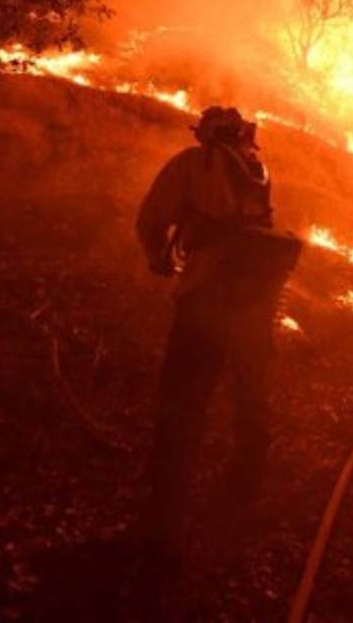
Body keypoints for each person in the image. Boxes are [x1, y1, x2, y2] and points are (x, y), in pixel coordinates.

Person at [134, 106, 300, 562]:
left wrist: (157, 257)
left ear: (208, 134)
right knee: (251, 385)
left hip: (209, 289)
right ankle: (246, 480)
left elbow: (152, 218)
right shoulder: (258, 169)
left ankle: (164, 517)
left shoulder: (194, 163)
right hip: (257, 295)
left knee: (184, 396)